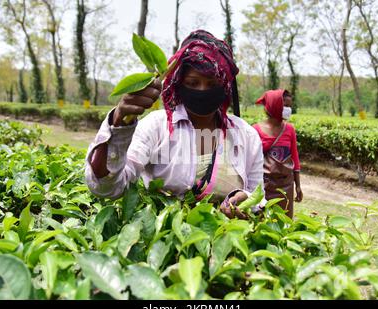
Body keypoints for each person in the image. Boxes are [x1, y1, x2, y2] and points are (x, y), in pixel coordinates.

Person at [85, 30, 264, 219]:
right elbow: (107, 187)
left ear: (225, 86)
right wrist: (119, 121)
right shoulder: (157, 127)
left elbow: (258, 196)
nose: (202, 91)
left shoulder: (246, 135)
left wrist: (248, 202)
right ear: (179, 83)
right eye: (193, 83)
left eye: (212, 84)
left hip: (227, 241)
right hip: (164, 243)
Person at [252, 89, 303, 218]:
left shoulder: (289, 129)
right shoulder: (255, 130)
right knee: (262, 222)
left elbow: (294, 159)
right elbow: (249, 161)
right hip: (263, 186)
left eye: (290, 106)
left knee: (284, 221)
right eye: (285, 105)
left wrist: (298, 186)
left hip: (285, 186)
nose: (288, 109)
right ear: (275, 105)